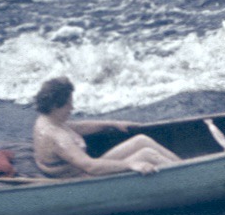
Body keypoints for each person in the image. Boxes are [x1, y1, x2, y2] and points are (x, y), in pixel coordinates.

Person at [31, 76, 183, 178]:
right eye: (68, 104)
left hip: (78, 170)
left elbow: (76, 127)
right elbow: (90, 167)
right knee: (147, 154)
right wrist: (131, 164)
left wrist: (111, 124)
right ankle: (187, 175)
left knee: (141, 140)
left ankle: (183, 166)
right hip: (82, 178)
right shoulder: (58, 137)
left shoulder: (47, 120)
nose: (72, 107)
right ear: (55, 106)